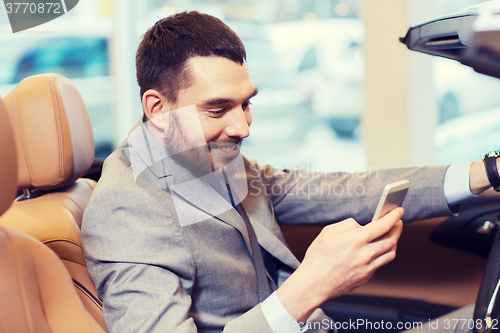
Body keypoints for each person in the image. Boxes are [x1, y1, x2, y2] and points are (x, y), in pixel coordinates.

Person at [81, 11, 499, 333]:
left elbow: (331, 189)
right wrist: (309, 288)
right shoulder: (126, 208)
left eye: (246, 103)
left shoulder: (198, 153)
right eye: (217, 109)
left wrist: (486, 172)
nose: (243, 127)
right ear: (157, 108)